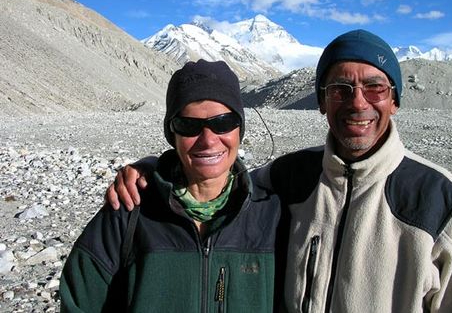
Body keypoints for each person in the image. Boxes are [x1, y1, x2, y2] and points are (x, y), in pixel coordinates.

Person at [107, 30, 452, 312]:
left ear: (394, 100)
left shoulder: (436, 197)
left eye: (374, 88)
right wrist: (153, 170)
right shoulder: (289, 176)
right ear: (322, 102)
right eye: (340, 89)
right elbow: (216, 176)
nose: (357, 103)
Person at [60, 60, 285, 312]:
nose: (208, 140)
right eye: (189, 126)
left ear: (239, 129)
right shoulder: (129, 212)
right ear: (172, 134)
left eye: (223, 122)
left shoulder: (272, 215)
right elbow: (78, 302)